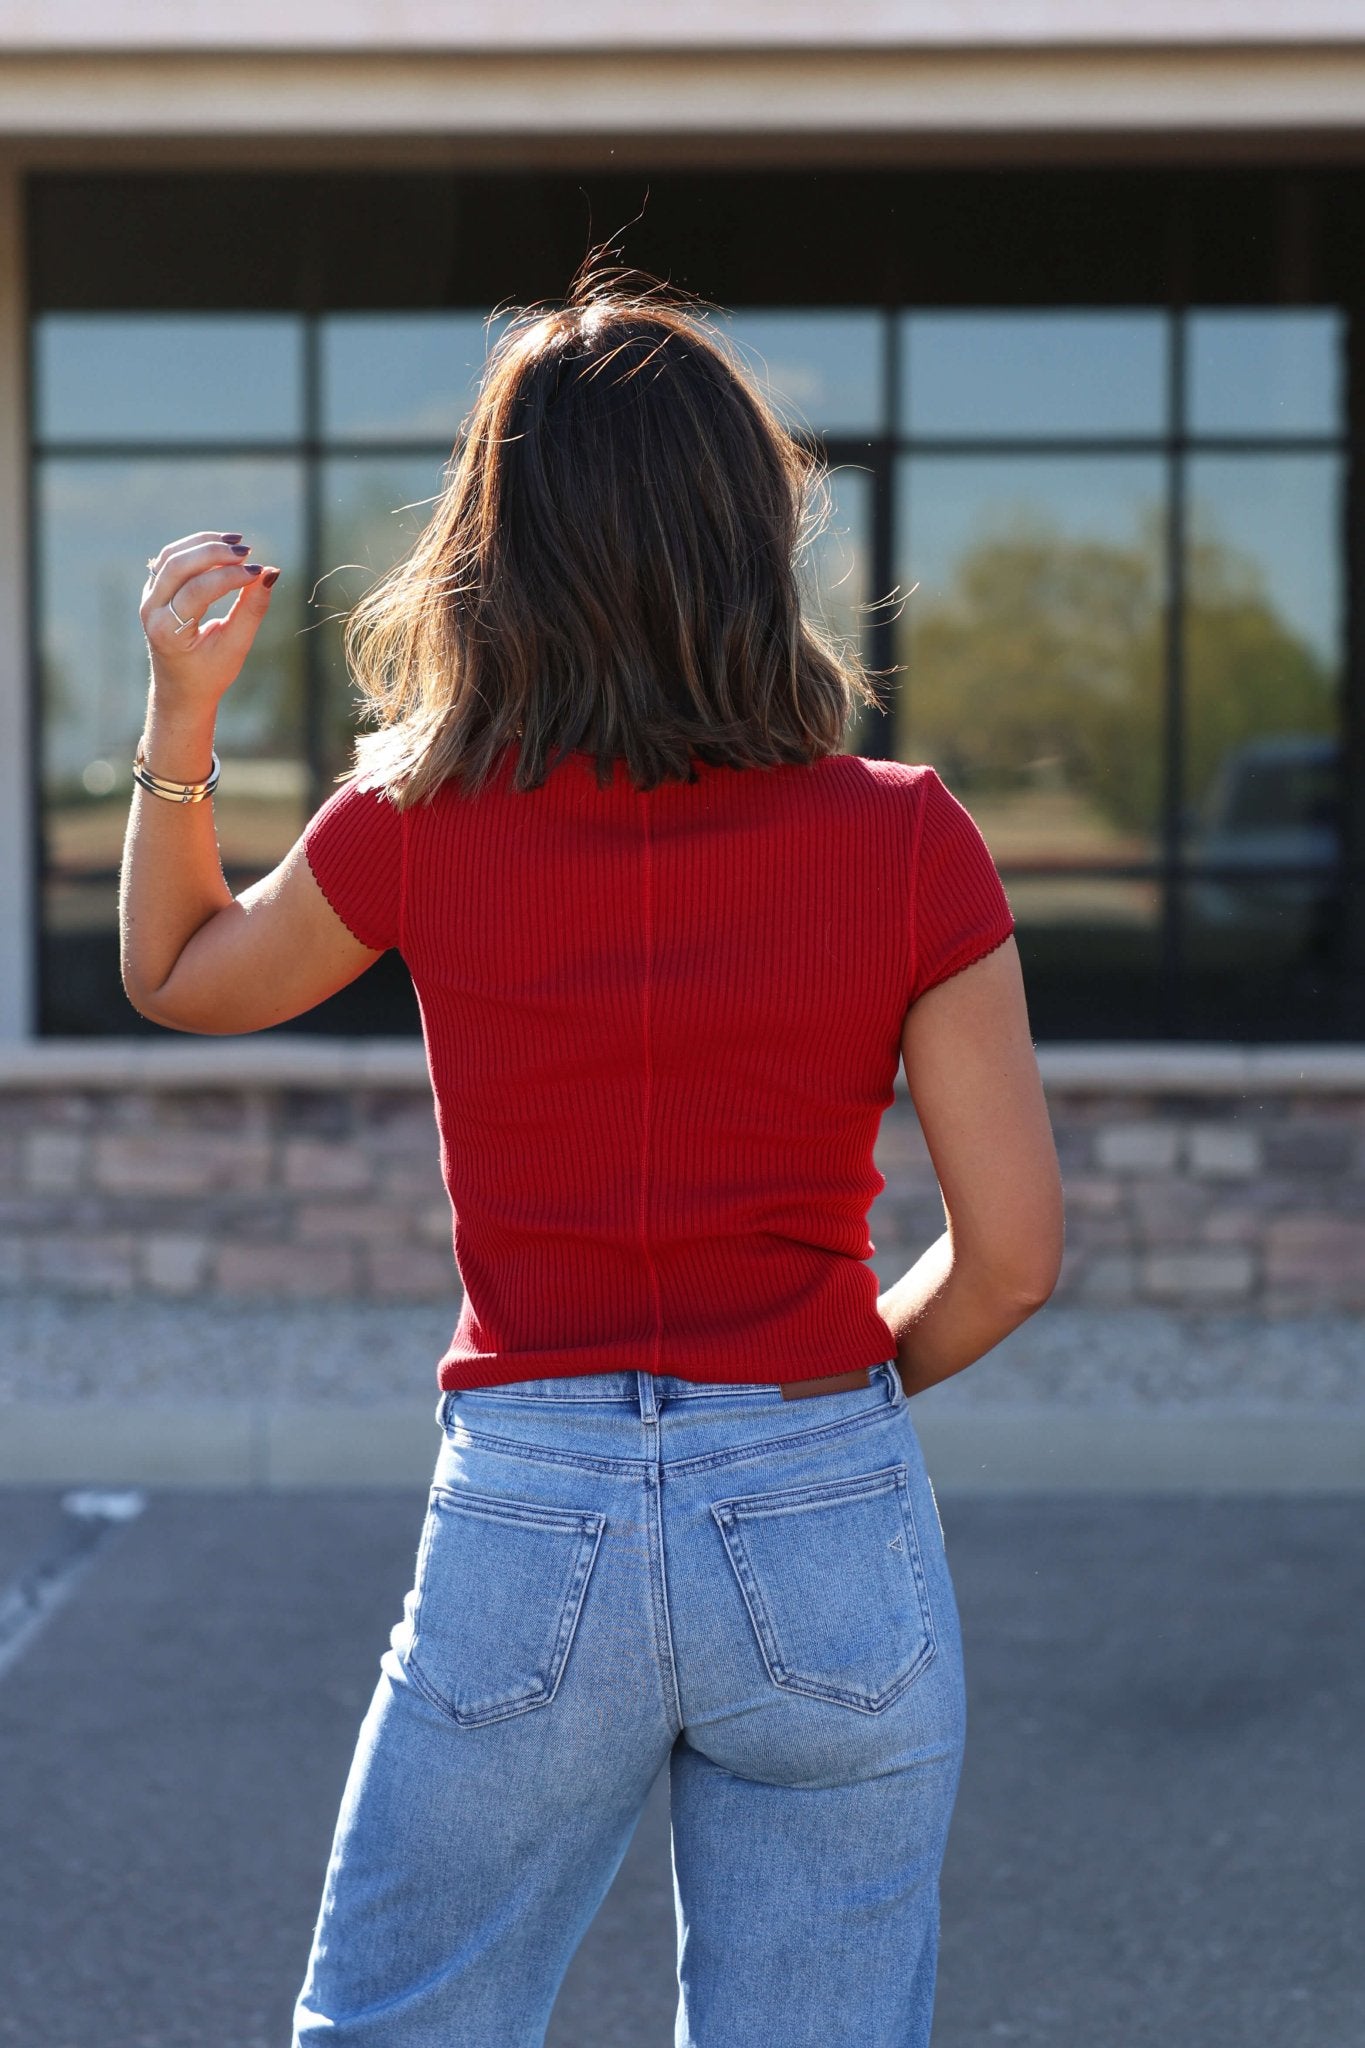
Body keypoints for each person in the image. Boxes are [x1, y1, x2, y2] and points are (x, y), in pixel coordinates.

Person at [120, 261, 1064, 2048]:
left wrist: (183, 714)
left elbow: (174, 976)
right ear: (749, 534)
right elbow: (1009, 1257)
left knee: (400, 2023)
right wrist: (825, 1407)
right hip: (822, 1498)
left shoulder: (415, 822)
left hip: (529, 1511)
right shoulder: (909, 839)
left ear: (496, 547)